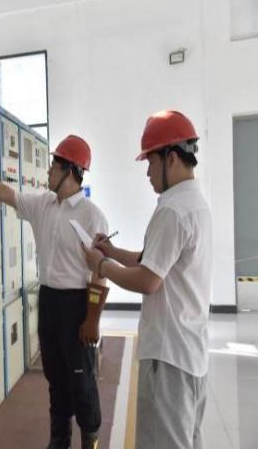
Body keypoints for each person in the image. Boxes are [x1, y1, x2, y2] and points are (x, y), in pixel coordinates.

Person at [0, 135, 109, 449]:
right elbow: (3, 193)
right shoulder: (42, 205)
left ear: (71, 171)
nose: (48, 171)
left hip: (77, 304)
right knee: (56, 378)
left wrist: (92, 319)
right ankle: (59, 440)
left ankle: (90, 441)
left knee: (81, 380)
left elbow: (99, 273)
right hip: (49, 301)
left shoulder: (92, 215)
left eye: (54, 165)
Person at [81, 110, 212, 449]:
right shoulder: (195, 203)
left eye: (150, 162)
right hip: (191, 354)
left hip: (167, 357)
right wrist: (112, 251)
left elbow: (148, 280)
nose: (147, 172)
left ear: (171, 158)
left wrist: (101, 265)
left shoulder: (172, 209)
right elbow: (153, 259)